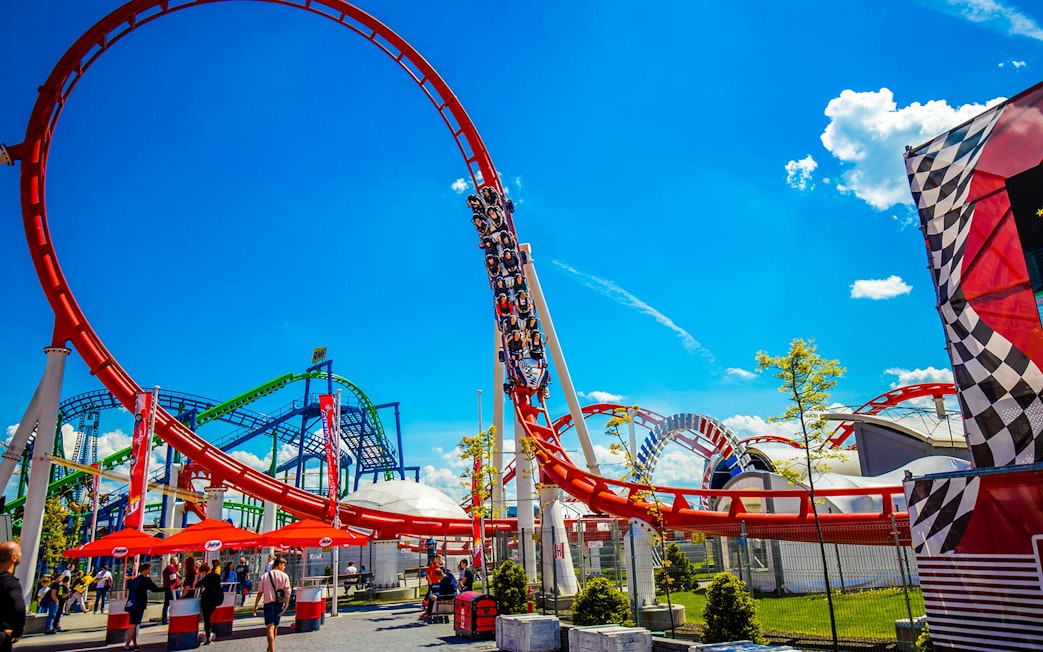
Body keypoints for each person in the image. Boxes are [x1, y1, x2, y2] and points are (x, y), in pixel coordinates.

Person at [252, 556, 291, 652]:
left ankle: (270, 648)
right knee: (275, 626)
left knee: (270, 626)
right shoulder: (285, 576)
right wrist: (286, 605)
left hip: (268, 603)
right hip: (279, 603)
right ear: (279, 564)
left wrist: (256, 605)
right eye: (284, 565)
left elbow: (260, 592)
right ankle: (271, 647)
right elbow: (287, 592)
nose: (284, 567)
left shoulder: (265, 576)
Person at [124, 562, 162, 651]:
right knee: (134, 624)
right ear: (145, 570)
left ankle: (135, 643)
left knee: (134, 623)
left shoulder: (135, 580)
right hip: (139, 604)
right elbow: (155, 589)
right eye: (149, 569)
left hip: (132, 603)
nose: (150, 570)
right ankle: (126, 645)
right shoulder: (146, 580)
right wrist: (168, 588)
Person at [0, 542, 25, 652]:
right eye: (19, 551)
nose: (21, 554)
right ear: (13, 557)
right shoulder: (10, 582)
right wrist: (17, 632)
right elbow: (19, 608)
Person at [198, 560, 224, 645]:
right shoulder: (217, 576)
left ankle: (208, 635)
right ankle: (209, 633)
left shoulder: (206, 578)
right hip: (217, 598)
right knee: (208, 615)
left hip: (208, 599)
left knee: (207, 617)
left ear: (204, 572)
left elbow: (196, 585)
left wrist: (197, 576)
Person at [160, 557, 180, 624]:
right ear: (173, 561)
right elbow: (173, 579)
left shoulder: (166, 569)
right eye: (176, 560)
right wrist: (175, 586)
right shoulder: (172, 568)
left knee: (166, 604)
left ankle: (165, 618)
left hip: (167, 588)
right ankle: (173, 617)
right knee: (175, 603)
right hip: (172, 589)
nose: (177, 561)